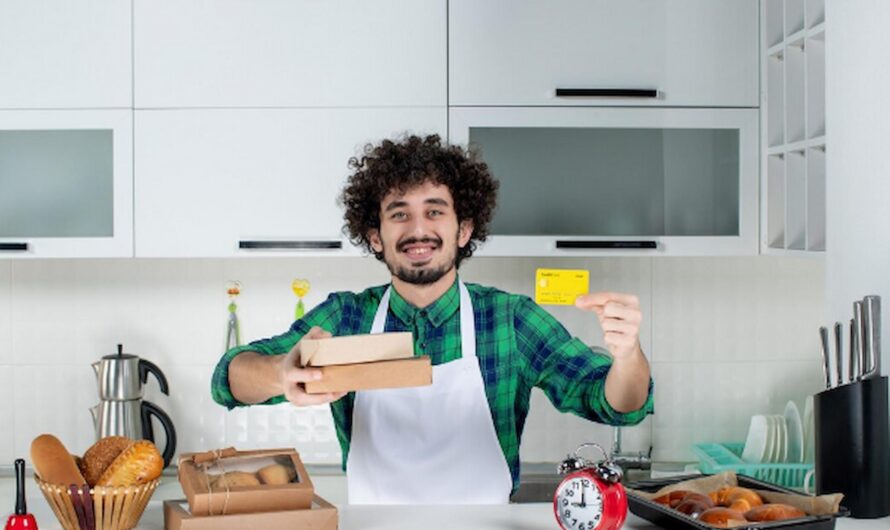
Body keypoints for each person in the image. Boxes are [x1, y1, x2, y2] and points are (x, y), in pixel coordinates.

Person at [211, 134, 653, 504]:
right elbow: (227, 380)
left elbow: (614, 403)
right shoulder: (346, 316)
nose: (418, 229)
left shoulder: (509, 319)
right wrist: (280, 372)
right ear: (375, 237)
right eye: (399, 213)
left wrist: (627, 354)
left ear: (462, 230)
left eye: (435, 211)